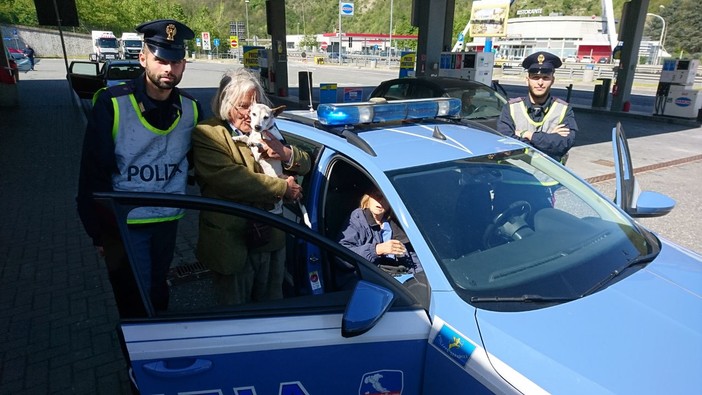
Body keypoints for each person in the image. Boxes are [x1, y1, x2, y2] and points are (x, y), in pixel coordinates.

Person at [76, 19, 202, 318]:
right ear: (142, 58)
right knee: (134, 296)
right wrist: (98, 232)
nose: (168, 69)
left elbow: (202, 161)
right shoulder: (112, 103)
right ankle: (138, 354)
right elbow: (92, 173)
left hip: (168, 218)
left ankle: (157, 344)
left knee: (158, 289)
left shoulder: (192, 108)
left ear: (184, 64)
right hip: (124, 222)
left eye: (176, 61)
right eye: (160, 60)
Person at [192, 68, 310, 306]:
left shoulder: (268, 127)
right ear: (227, 104)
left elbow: (305, 163)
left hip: (271, 237)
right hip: (232, 241)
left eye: (255, 104)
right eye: (244, 106)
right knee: (236, 312)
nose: (251, 114)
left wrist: (284, 153)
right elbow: (230, 179)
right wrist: (282, 188)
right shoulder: (208, 133)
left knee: (271, 303)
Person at [496, 51, 578, 164]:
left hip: (549, 179)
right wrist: (549, 139)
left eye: (545, 77)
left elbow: (563, 145)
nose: (540, 82)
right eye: (535, 77)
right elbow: (506, 144)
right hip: (514, 176)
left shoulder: (564, 109)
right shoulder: (511, 108)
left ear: (552, 80)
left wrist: (527, 135)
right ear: (527, 80)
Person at [337, 187, 420, 275]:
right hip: (369, 278)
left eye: (386, 197)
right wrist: (376, 250)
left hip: (398, 277)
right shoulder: (358, 219)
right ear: (368, 197)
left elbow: (414, 259)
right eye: (377, 195)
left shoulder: (395, 223)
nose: (381, 200)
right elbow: (341, 256)